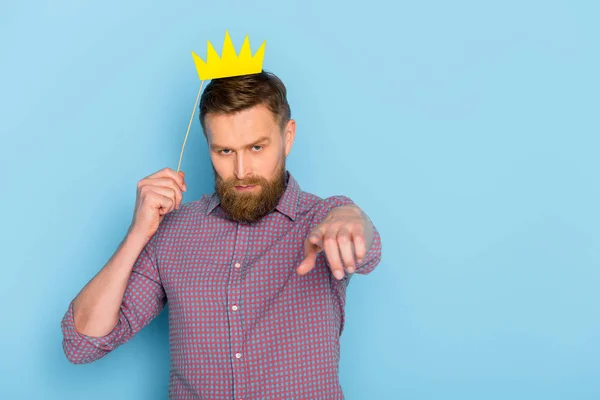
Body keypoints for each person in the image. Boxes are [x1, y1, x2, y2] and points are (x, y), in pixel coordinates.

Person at [61, 70, 382, 399]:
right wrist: (137, 234)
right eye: (225, 152)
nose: (241, 171)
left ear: (288, 136)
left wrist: (351, 222)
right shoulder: (173, 231)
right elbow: (82, 344)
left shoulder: (324, 219)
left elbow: (366, 245)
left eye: (257, 147)